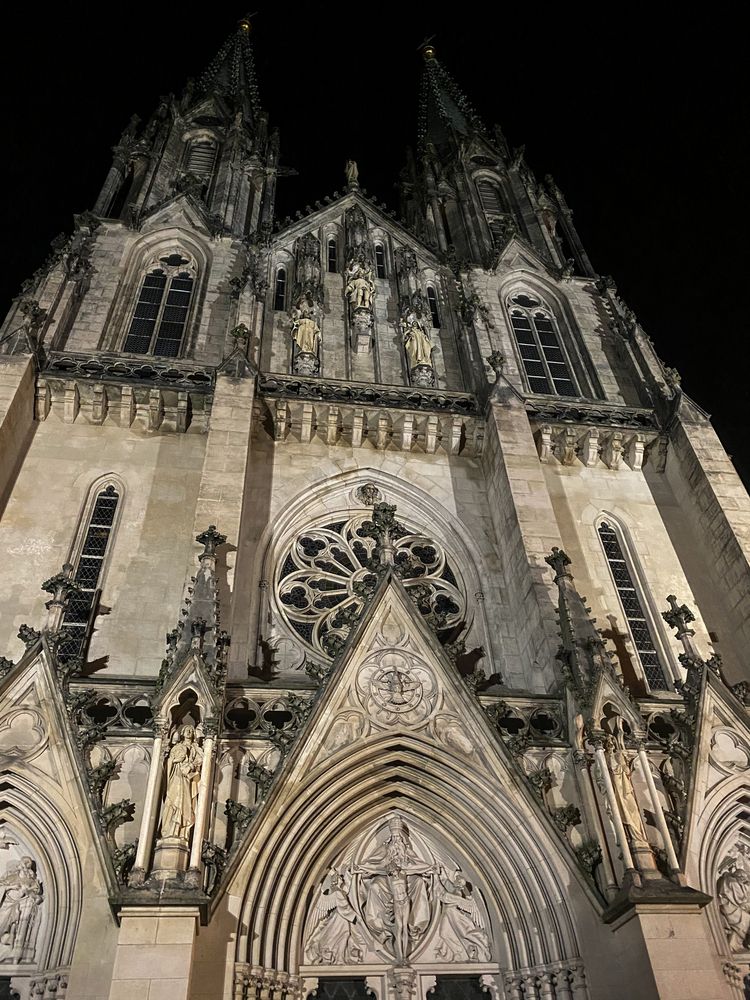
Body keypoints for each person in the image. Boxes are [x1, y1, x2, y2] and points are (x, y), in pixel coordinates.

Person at [161, 725, 203, 840]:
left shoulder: (196, 748)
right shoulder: (177, 747)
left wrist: (190, 766)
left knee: (185, 803)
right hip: (176, 776)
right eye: (186, 730)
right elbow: (169, 761)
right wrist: (176, 760)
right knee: (172, 800)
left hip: (187, 779)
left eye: (191, 731)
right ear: (182, 733)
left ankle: (182, 832)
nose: (189, 732)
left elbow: (201, 761)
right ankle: (169, 830)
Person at [0, 855, 43, 962]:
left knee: (11, 919)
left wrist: (27, 891)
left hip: (17, 905)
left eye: (27, 866)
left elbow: (36, 893)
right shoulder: (11, 877)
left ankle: (9, 944)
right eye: (23, 865)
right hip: (6, 904)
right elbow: (2, 885)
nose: (25, 868)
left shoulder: (31, 881)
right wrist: (11, 887)